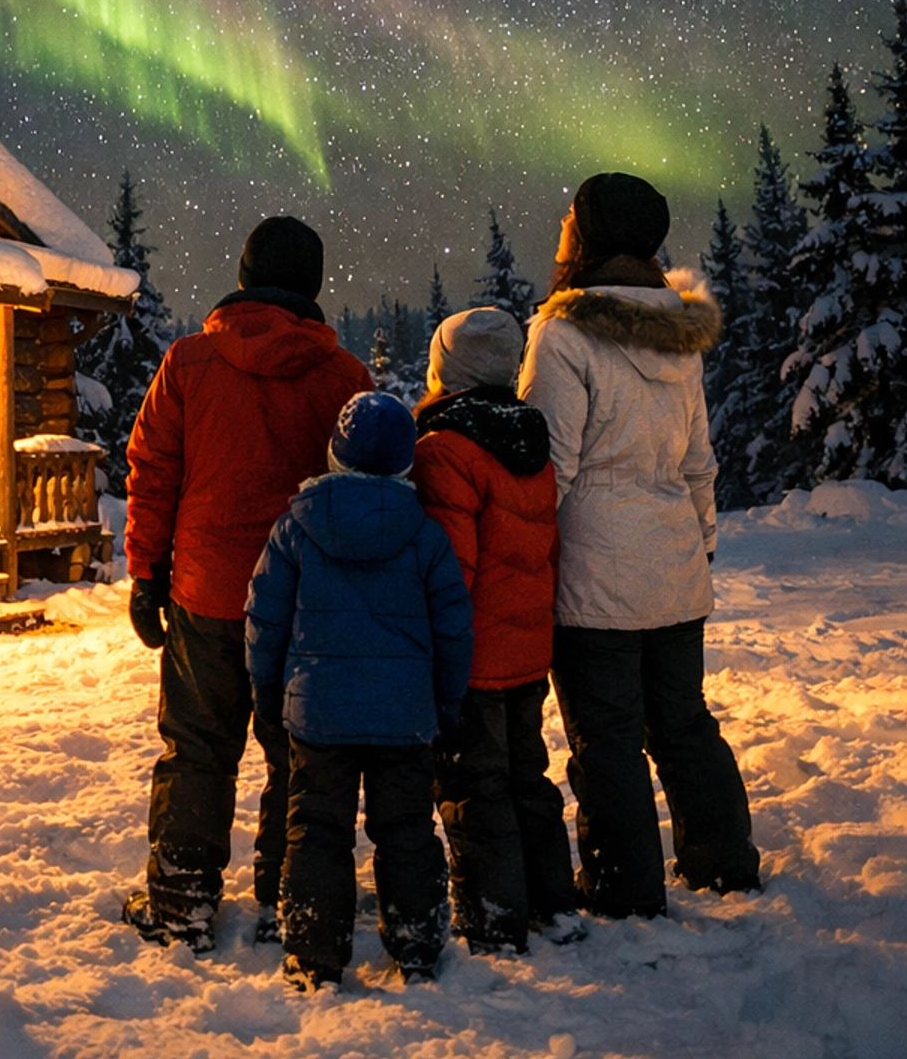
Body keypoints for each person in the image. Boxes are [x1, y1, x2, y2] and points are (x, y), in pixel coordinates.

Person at [122, 216, 372, 952]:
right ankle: (287, 895)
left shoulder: (190, 363)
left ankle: (180, 901)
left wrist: (146, 574)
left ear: (244, 274)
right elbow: (363, 496)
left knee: (198, 746)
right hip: (304, 602)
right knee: (295, 751)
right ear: (313, 286)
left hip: (207, 592)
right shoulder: (344, 378)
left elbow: (152, 472)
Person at [521, 171, 761, 918]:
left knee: (610, 740)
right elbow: (697, 462)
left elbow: (549, 469)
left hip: (596, 578)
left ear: (587, 235)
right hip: (674, 564)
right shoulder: (679, 337)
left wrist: (527, 564)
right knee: (685, 722)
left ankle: (626, 889)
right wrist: (701, 547)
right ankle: (722, 863)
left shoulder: (562, 335)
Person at [246, 391, 474, 990]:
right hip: (404, 717)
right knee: (406, 830)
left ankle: (314, 954)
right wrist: (448, 702)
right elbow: (454, 626)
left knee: (317, 830)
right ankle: (417, 945)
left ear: (334, 455)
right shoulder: (425, 537)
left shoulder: (295, 528)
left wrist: (268, 694)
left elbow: (265, 620)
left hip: (318, 714)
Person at [413, 305, 579, 952]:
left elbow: (451, 571)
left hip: (473, 655)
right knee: (524, 775)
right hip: (527, 648)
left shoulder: (445, 450)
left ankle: (496, 916)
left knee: (473, 783)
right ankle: (552, 902)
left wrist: (436, 652)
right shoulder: (532, 446)